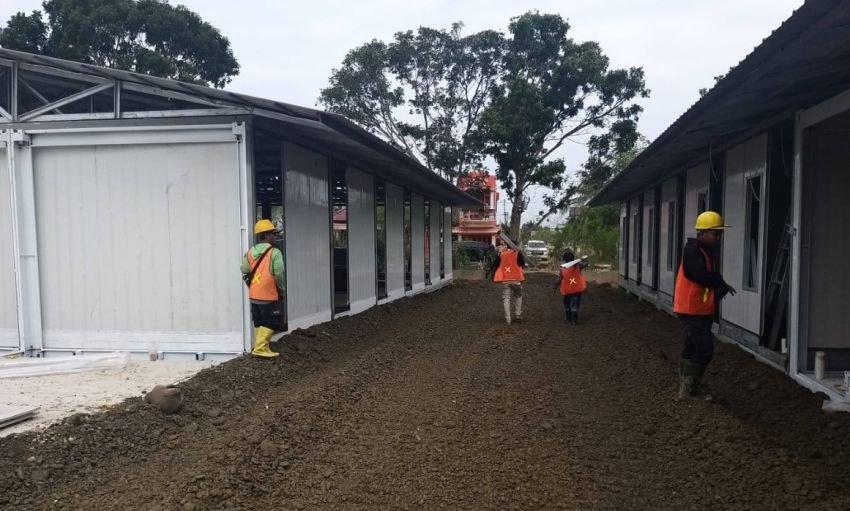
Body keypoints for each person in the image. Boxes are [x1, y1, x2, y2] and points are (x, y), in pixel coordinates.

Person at [673, 211, 736, 400]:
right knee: (704, 350)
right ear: (703, 232)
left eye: (720, 234)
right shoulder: (693, 251)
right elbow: (697, 274)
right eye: (715, 234)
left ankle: (686, 389)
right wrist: (718, 281)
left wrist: (719, 286)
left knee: (692, 347)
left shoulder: (701, 251)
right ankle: (688, 391)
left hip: (697, 308)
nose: (718, 238)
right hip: (693, 309)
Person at [241, 219, 285, 358]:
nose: (275, 236)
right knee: (272, 322)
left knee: (259, 321)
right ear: (266, 235)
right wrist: (281, 289)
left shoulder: (250, 252)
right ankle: (260, 348)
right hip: (268, 294)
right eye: (273, 233)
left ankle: (263, 347)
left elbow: (244, 268)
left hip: (254, 294)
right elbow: (279, 273)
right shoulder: (274, 252)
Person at [490, 238, 526, 325]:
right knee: (518, 296)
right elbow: (522, 264)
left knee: (506, 299)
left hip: (505, 280)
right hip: (516, 280)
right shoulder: (518, 254)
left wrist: (492, 275)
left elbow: (494, 264)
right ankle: (518, 315)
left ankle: (508, 320)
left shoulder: (502, 255)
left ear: (508, 245)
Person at [554, 249, 588, 324]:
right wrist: (582, 260)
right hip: (577, 289)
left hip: (567, 289)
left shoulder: (563, 268)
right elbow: (586, 264)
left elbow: (559, 279)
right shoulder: (578, 266)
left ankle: (568, 318)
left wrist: (555, 286)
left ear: (564, 259)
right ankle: (574, 320)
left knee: (567, 303)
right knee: (575, 304)